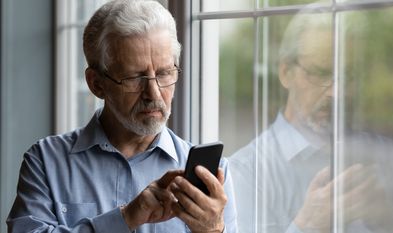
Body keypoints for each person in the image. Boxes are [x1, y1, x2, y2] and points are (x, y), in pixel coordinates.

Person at [7, 1, 237, 232]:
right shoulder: (45, 161)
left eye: (165, 73)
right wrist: (125, 218)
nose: (153, 94)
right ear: (96, 84)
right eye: (134, 78)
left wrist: (214, 229)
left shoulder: (212, 175)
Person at [229, 5, 393, 233]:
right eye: (320, 73)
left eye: (348, 76)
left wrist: (389, 217)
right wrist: (308, 226)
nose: (336, 92)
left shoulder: (387, 157)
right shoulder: (246, 172)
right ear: (286, 73)